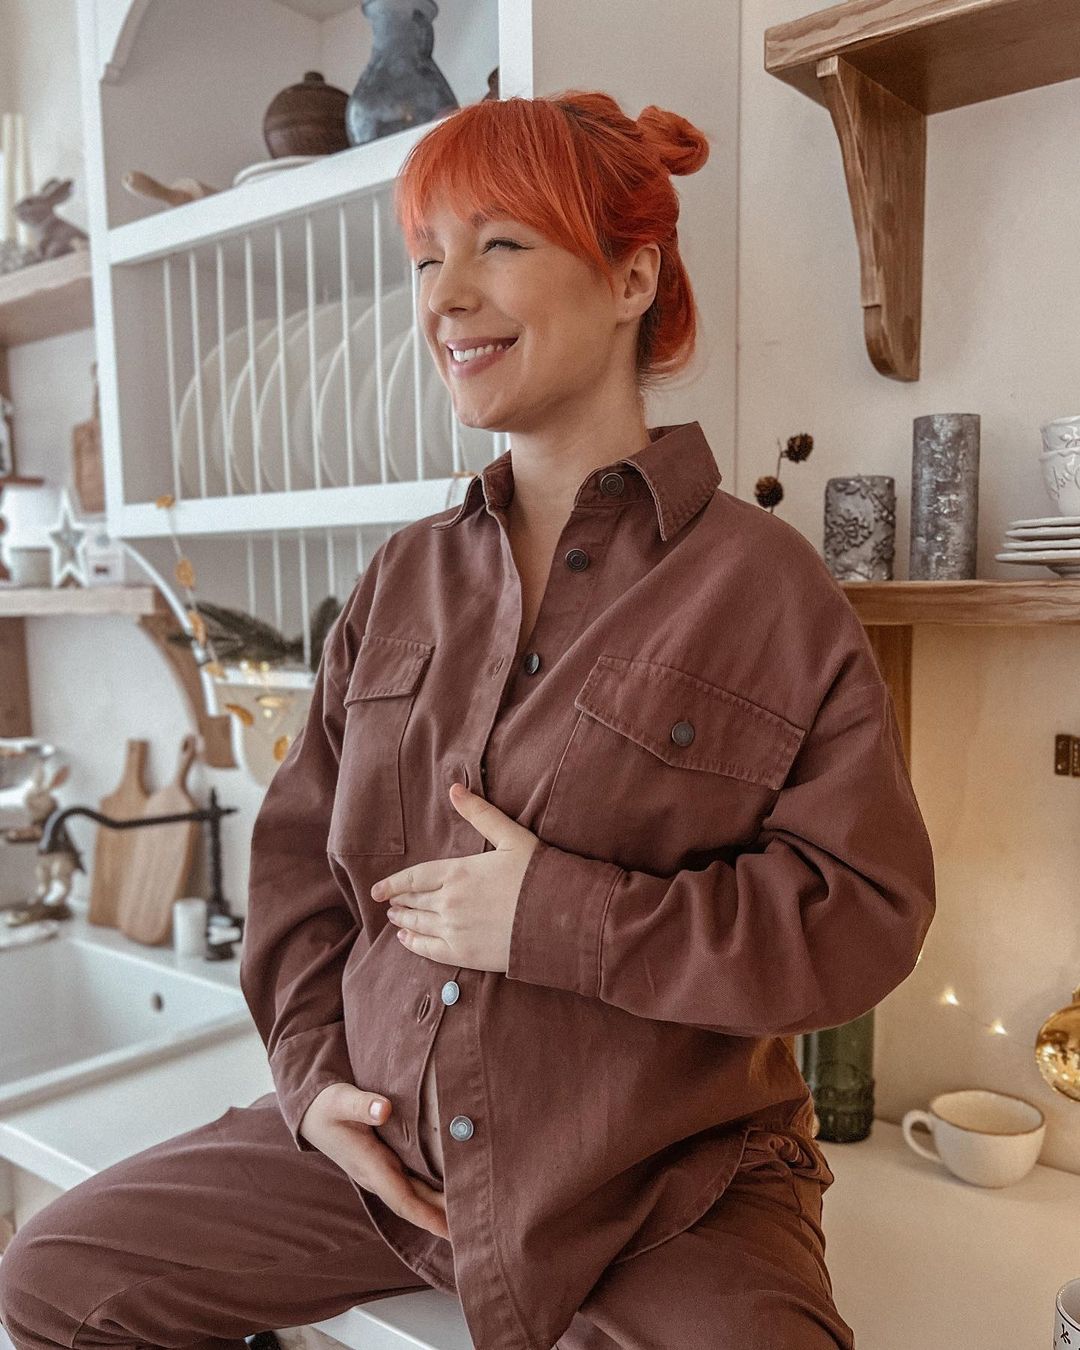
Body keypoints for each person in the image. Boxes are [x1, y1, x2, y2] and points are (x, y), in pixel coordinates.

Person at [0, 90, 936, 1350]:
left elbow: (863, 917)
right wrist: (312, 1081)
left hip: (667, 1189)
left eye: (498, 244)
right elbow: (299, 872)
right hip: (383, 1150)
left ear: (631, 278)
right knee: (57, 1280)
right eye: (425, 258)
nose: (443, 297)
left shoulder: (766, 588)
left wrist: (560, 917)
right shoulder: (401, 579)